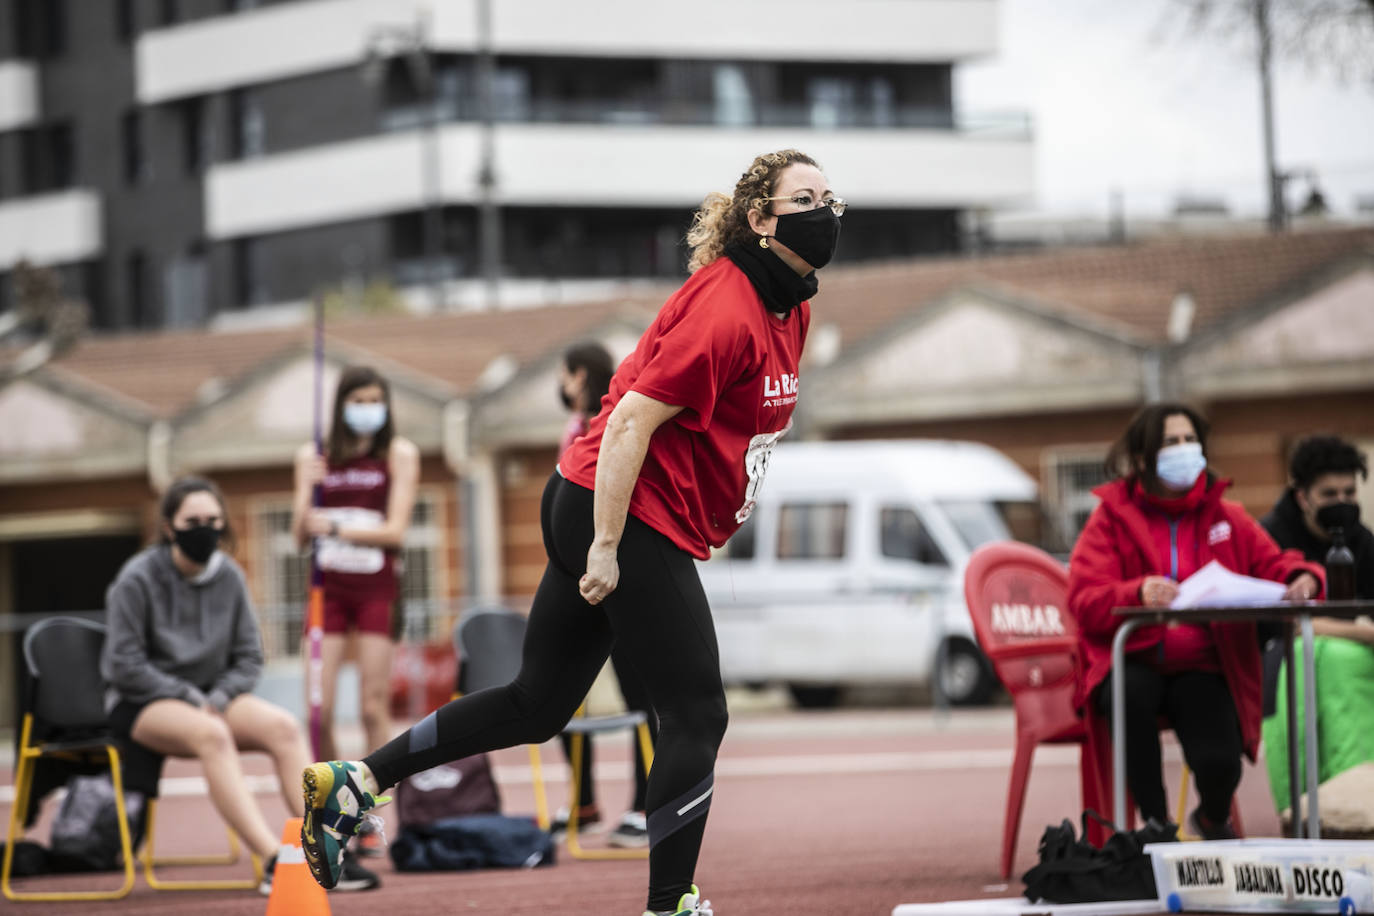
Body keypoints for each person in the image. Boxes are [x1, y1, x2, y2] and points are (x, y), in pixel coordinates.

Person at [300, 148, 842, 916]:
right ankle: (669, 904)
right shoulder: (727, 309)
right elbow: (627, 425)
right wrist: (607, 546)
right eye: (806, 198)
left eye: (832, 198)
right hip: (618, 507)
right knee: (698, 712)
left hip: (596, 498)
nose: (827, 212)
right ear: (759, 220)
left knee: (537, 704)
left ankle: (359, 780)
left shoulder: (794, 304)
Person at [1067, 403, 1322, 840]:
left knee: (1221, 762)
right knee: (1130, 695)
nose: (1184, 450)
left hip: (1203, 666)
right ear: (1144, 457)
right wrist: (1136, 592)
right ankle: (1155, 828)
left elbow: (1276, 565)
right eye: (1171, 442)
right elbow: (1084, 599)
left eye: (1190, 440)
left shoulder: (1228, 516)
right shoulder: (1109, 518)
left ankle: (1211, 819)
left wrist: (1305, 578)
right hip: (1135, 661)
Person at [101, 476, 310, 896]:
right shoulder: (137, 579)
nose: (205, 528)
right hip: (144, 702)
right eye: (192, 520)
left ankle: (327, 849)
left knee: (284, 727)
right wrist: (189, 697)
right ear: (168, 527)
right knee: (213, 735)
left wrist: (218, 695)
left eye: (213, 519)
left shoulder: (230, 577)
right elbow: (123, 664)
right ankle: (275, 860)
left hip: (214, 697)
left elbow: (250, 657)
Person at [292, 365, 418, 867]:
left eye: (375, 398)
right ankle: (329, 808)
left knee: (371, 706)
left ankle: (370, 806)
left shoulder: (398, 453)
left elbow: (396, 531)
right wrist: (306, 491)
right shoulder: (314, 456)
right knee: (317, 707)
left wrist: (338, 527)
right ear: (341, 402)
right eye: (358, 398)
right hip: (327, 592)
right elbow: (301, 535)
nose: (367, 407)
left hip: (375, 589)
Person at [551, 341, 658, 848]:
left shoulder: (611, 421)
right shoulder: (574, 428)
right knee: (562, 696)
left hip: (614, 572)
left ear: (579, 376)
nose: (563, 383)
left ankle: (645, 805)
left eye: (566, 374)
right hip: (578, 579)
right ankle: (584, 800)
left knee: (642, 696)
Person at [1259, 435, 1374, 815]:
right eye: (1329, 494)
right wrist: (1356, 631)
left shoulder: (1363, 543)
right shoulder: (1270, 540)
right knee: (1330, 658)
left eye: (1349, 492)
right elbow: (1279, 626)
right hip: (1281, 662)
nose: (1341, 503)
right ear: (1302, 497)